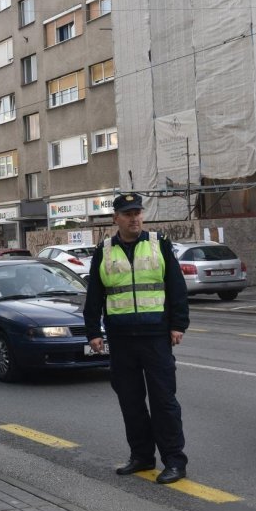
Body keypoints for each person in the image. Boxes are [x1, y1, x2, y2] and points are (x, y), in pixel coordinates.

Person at [83, 193, 190, 484]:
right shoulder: (104, 251)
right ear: (115, 218)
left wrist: (178, 325)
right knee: (130, 402)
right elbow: (95, 294)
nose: (134, 218)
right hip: (121, 340)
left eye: (137, 212)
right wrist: (93, 331)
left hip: (155, 336)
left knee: (163, 401)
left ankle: (174, 462)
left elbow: (176, 287)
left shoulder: (158, 244)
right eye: (127, 214)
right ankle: (142, 457)